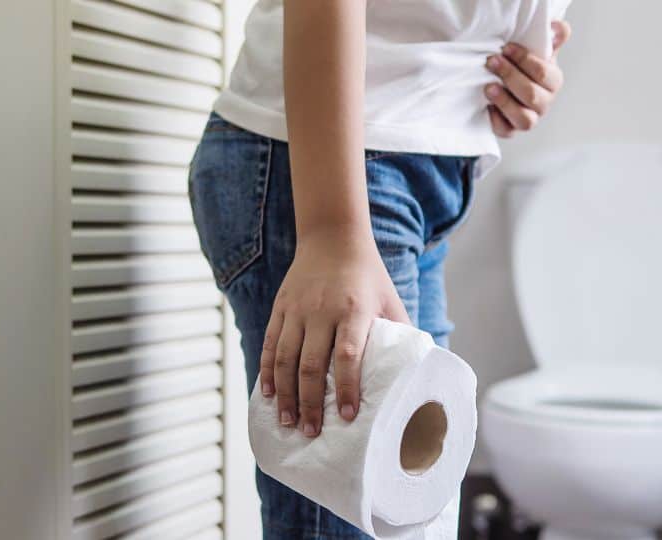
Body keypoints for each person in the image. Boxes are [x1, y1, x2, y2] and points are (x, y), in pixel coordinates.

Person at [189, 2, 571, 537]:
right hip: (333, 175)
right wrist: (331, 230)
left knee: (410, 514)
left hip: (416, 171)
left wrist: (519, 70)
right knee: (356, 515)